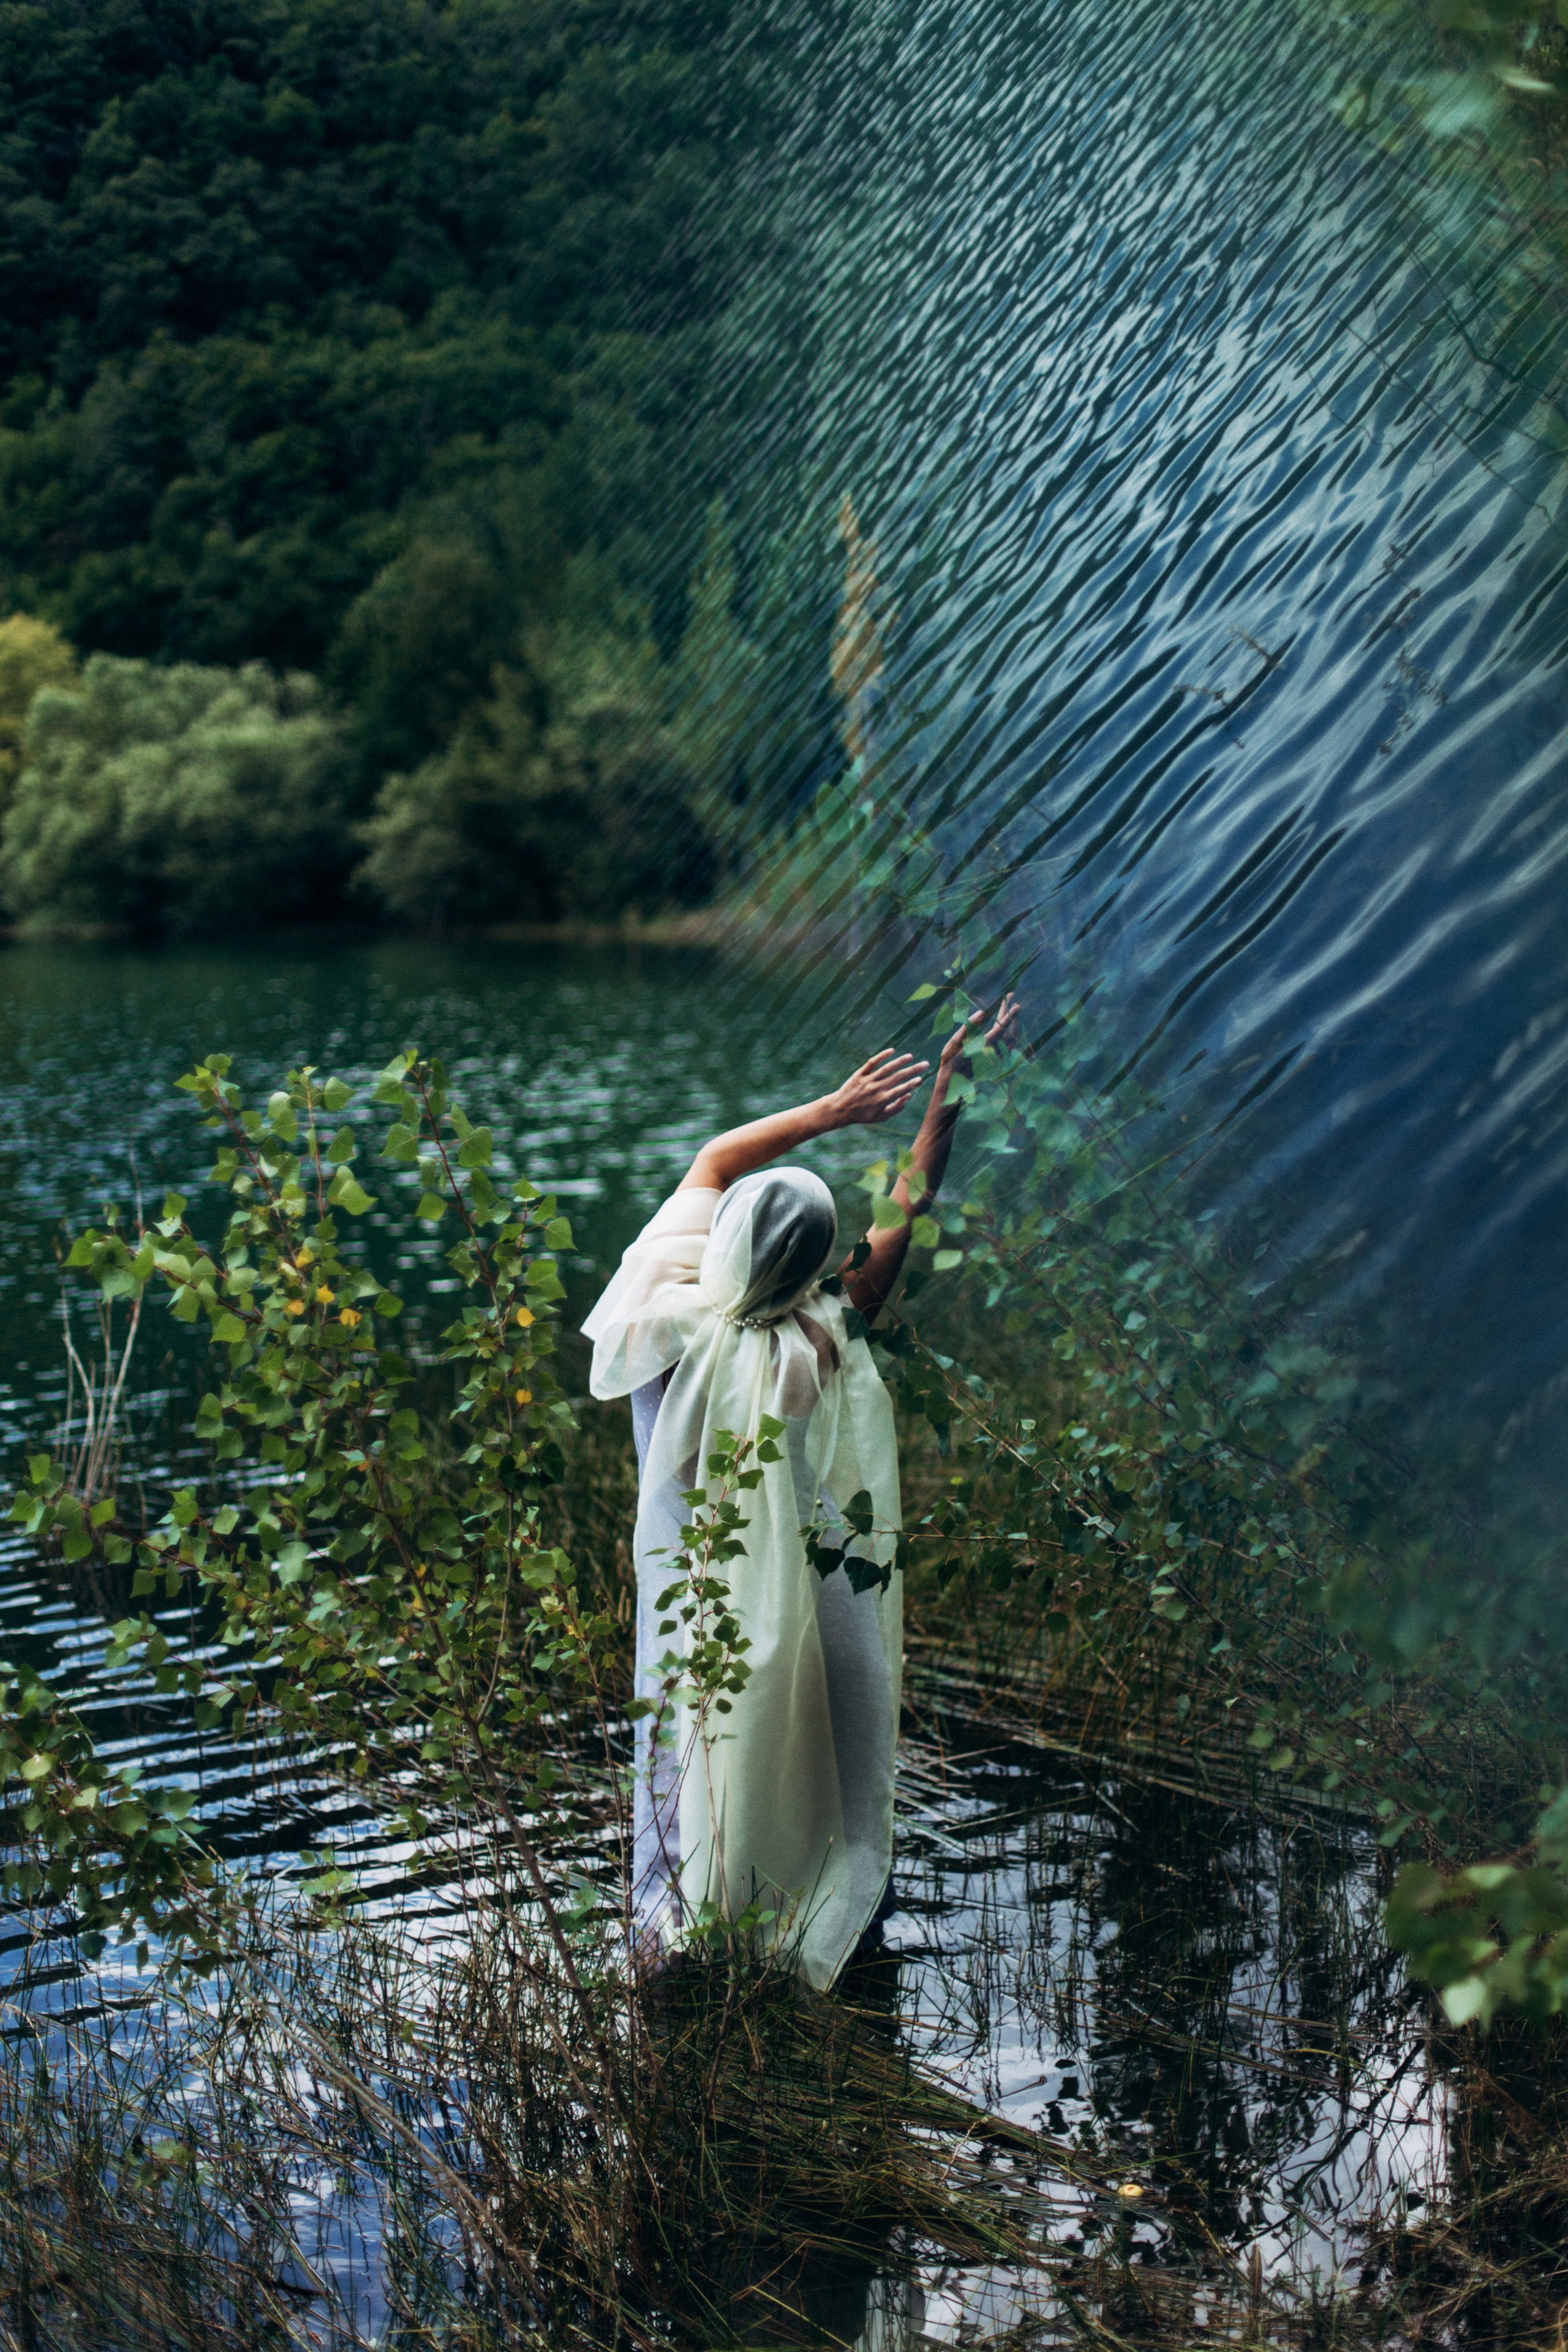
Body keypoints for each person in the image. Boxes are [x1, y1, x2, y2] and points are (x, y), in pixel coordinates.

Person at [583, 995, 1019, 1989]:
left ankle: (683, 1922)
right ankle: (816, 1906)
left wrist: (831, 1108)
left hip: (693, 1590)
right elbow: (903, 1212)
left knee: (684, 1746)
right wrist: (943, 1100)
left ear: (726, 1239)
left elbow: (710, 1163)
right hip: (798, 1590)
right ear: (817, 1265)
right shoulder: (820, 1335)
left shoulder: (660, 1316)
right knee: (814, 1741)